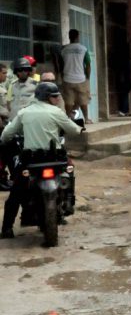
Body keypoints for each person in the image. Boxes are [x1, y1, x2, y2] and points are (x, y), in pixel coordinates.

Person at [0, 82, 84, 239]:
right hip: (55, 159)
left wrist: (5, 140)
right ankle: (68, 204)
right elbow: (73, 129)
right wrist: (80, 128)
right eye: (54, 96)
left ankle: (7, 228)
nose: (57, 98)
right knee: (69, 174)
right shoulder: (56, 112)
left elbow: (6, 134)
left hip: (31, 161)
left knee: (16, 193)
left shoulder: (24, 113)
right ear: (47, 97)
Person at [60, 29, 92, 124]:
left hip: (67, 78)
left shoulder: (64, 50)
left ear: (69, 37)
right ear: (78, 37)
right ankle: (86, 118)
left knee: (68, 100)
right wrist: (87, 77)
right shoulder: (83, 49)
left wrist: (62, 75)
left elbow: (61, 64)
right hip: (81, 78)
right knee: (83, 100)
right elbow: (88, 64)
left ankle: (69, 118)